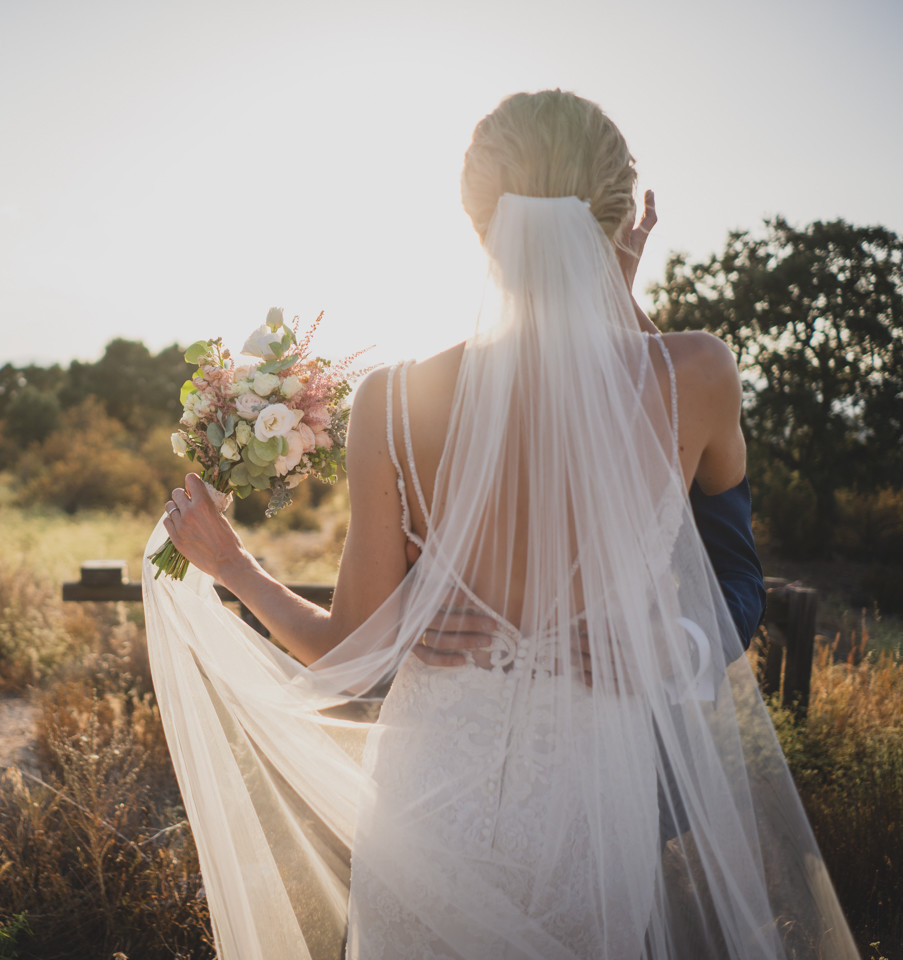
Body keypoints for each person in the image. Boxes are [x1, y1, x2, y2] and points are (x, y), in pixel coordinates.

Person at [143, 90, 857, 959]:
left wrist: (238, 569)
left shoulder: (395, 401)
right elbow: (726, 567)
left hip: (428, 799)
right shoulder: (698, 374)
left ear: (477, 222)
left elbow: (347, 656)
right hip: (591, 811)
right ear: (619, 220)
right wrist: (674, 645)